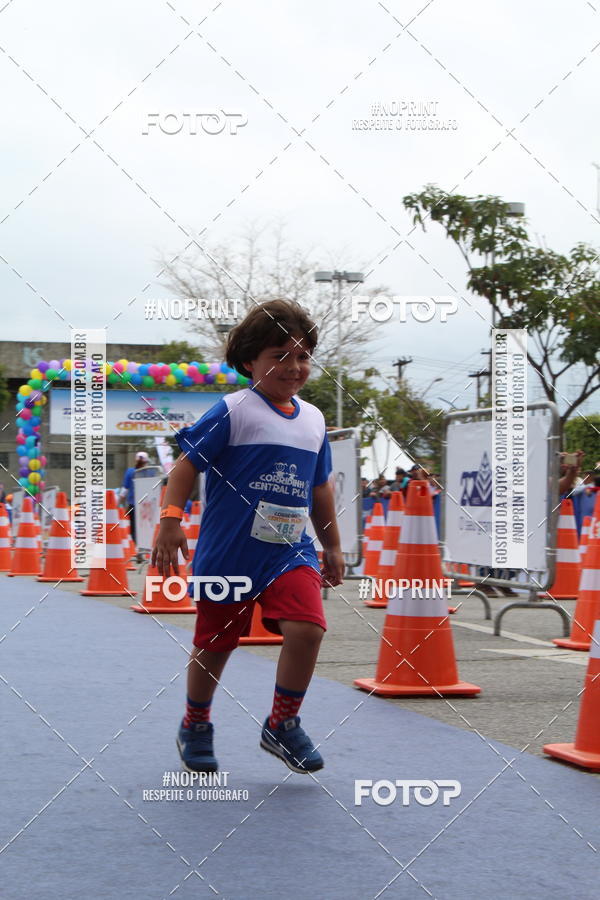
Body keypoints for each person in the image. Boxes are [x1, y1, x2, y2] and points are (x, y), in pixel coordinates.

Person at [152, 298, 344, 776]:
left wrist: (333, 545)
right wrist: (171, 519)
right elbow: (186, 465)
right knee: (216, 643)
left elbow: (320, 487)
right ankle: (195, 724)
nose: (293, 367)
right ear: (249, 362)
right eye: (279, 355)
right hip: (229, 553)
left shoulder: (314, 420)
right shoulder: (233, 410)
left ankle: (282, 723)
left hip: (288, 550)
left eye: (301, 356)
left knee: (308, 627)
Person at [120, 451, 151, 545]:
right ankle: (145, 544)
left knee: (133, 528)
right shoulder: (150, 472)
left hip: (132, 505)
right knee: (145, 527)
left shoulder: (130, 471)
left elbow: (124, 490)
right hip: (146, 505)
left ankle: (136, 546)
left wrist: (118, 503)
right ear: (146, 462)